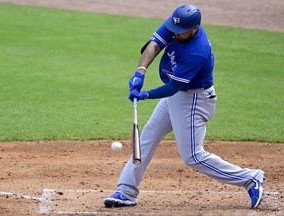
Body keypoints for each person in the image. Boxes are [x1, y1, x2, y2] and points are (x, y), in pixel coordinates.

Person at [103, 3, 265, 209]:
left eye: (181, 32)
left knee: (193, 157)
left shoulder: (198, 51)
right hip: (178, 97)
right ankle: (126, 191)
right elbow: (153, 45)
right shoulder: (177, 24)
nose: (176, 34)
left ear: (195, 28)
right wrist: (140, 72)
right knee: (147, 139)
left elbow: (172, 88)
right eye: (174, 30)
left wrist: (145, 94)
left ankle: (251, 178)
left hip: (194, 100)